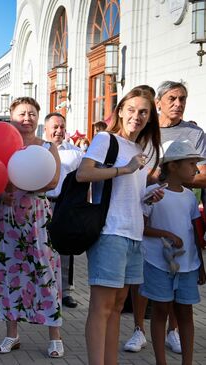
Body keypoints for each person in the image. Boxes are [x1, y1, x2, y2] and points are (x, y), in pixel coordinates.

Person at [78, 87, 162, 365]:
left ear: (150, 118)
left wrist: (149, 196)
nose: (136, 116)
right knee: (102, 307)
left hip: (133, 234)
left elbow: (130, 197)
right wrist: (124, 169)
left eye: (143, 112)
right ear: (121, 111)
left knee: (116, 307)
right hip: (110, 232)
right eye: (132, 109)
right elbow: (84, 173)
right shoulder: (106, 139)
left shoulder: (139, 149)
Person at [126, 81, 206, 354]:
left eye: (183, 98)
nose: (178, 103)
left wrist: (173, 181)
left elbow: (202, 172)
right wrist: (153, 183)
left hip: (179, 203)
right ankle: (138, 329)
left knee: (176, 281)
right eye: (172, 98)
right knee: (142, 273)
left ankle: (173, 331)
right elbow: (135, 169)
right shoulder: (146, 131)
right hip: (146, 206)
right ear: (158, 101)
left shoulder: (194, 132)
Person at [0, 97, 63, 358]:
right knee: (8, 271)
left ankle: (55, 335)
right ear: (11, 117)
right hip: (8, 217)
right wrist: (1, 193)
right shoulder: (3, 147)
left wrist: (26, 184)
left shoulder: (47, 147)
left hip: (37, 217)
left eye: (32, 113)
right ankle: (12, 334)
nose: (27, 118)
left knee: (44, 271)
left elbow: (53, 180)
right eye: (22, 113)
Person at [140, 140, 206, 365]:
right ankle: (161, 361)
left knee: (185, 313)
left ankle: (187, 361)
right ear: (174, 166)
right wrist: (165, 234)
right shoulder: (154, 193)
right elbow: (141, 227)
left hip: (188, 265)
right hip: (159, 264)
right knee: (160, 311)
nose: (196, 169)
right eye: (191, 163)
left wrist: (201, 266)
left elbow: (195, 232)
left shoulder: (189, 196)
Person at [43, 113, 84, 308]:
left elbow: (83, 181)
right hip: (43, 203)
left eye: (62, 127)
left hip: (65, 204)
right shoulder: (38, 150)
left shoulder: (76, 153)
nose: (59, 131)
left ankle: (66, 291)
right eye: (55, 127)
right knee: (42, 246)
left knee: (65, 248)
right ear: (45, 129)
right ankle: (43, 287)